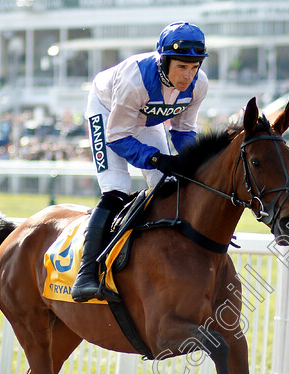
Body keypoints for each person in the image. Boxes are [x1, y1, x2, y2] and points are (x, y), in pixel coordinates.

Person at [71, 21, 209, 302]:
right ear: (164, 60)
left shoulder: (199, 85)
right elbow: (118, 136)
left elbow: (183, 131)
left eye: (194, 67)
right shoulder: (136, 79)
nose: (188, 76)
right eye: (182, 66)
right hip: (108, 112)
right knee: (116, 189)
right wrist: (157, 158)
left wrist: (192, 163)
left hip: (145, 118)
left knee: (167, 185)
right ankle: (85, 275)